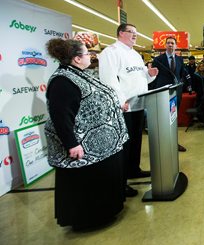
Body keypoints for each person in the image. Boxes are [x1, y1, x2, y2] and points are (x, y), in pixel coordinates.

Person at [45, 38, 129, 230]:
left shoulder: (79, 74)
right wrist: (71, 144)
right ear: (76, 59)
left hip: (102, 145)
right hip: (84, 147)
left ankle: (106, 212)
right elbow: (61, 116)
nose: (91, 56)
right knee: (88, 186)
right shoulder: (62, 81)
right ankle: (90, 219)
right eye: (87, 53)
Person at [99, 23, 158, 197]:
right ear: (120, 33)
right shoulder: (111, 52)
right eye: (131, 32)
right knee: (124, 145)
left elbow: (140, 79)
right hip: (124, 107)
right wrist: (119, 100)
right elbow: (108, 79)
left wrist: (150, 75)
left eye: (136, 33)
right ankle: (121, 182)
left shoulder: (136, 55)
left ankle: (134, 169)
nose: (135, 35)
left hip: (139, 104)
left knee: (136, 140)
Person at [151, 36, 191, 152]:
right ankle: (162, 144)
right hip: (162, 93)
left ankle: (174, 143)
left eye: (172, 43)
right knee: (163, 118)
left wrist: (184, 84)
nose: (170, 45)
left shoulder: (179, 59)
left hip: (176, 93)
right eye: (168, 43)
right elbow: (153, 77)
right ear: (165, 45)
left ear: (176, 46)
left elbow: (181, 74)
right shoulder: (158, 60)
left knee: (173, 118)